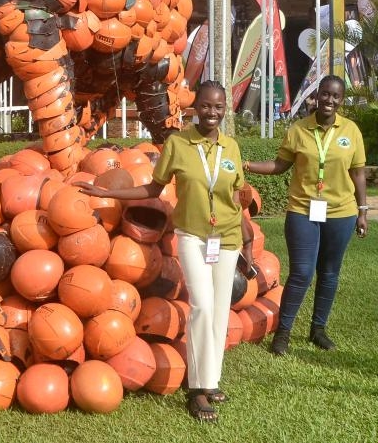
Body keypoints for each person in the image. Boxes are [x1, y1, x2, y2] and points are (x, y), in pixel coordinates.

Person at [81, 80, 254, 423]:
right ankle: (197, 389)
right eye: (206, 106)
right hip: (192, 236)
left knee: (219, 310)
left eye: (218, 107)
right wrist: (107, 191)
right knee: (202, 305)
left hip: (228, 237)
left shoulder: (231, 148)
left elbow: (237, 198)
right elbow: (152, 187)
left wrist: (247, 240)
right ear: (195, 108)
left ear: (224, 110)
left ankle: (211, 379)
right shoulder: (178, 144)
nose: (212, 113)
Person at [243, 74, 368, 355]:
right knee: (301, 272)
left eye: (335, 96)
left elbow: (358, 174)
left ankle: (318, 329)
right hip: (303, 209)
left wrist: (362, 211)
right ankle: (283, 333)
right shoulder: (299, 129)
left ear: (341, 100)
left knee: (329, 273)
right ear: (317, 95)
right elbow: (279, 165)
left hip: (342, 213)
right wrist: (247, 164)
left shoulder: (351, 131)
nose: (329, 100)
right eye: (325, 94)